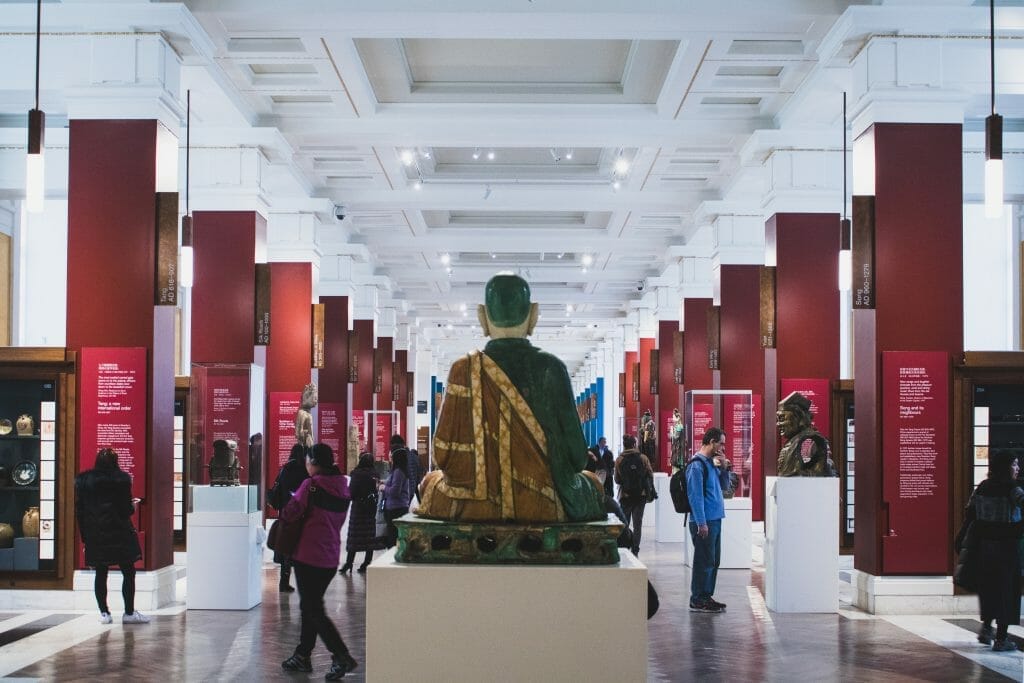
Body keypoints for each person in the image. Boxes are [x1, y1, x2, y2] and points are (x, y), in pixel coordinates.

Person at [418, 273, 605, 523]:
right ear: (534, 315)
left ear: (482, 317)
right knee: (592, 483)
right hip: (543, 502)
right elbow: (577, 457)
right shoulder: (552, 369)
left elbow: (441, 454)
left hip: (473, 505)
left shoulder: (464, 369)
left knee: (430, 482)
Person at [279, 443, 358, 680]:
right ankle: (303, 655)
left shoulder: (311, 486)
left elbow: (290, 512)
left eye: (308, 461)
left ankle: (341, 655)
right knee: (310, 606)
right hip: (330, 557)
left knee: (313, 609)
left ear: (313, 462)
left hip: (307, 555)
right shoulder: (343, 488)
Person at [74, 448, 149, 625]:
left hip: (96, 534)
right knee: (128, 572)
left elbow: (80, 512)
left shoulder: (84, 482)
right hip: (120, 532)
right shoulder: (121, 480)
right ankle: (129, 613)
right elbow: (126, 510)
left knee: (100, 573)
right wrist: (134, 506)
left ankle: (104, 613)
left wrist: (85, 538)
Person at [967, 449, 1024, 652]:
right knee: (1007, 591)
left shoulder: (983, 487)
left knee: (989, 589)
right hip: (1007, 547)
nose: (1017, 468)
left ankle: (986, 628)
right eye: (1014, 464)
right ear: (1006, 467)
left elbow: (970, 511)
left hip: (984, 547)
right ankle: (1002, 638)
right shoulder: (1012, 489)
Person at [686, 427, 727, 613]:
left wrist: (725, 468)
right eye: (721, 443)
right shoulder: (697, 465)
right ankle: (697, 598)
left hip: (715, 519)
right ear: (712, 442)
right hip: (704, 521)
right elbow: (695, 496)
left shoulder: (712, 463)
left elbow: (725, 487)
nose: (722, 447)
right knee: (704, 560)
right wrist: (701, 522)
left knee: (713, 560)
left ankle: (706, 595)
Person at [267, 443, 310, 592]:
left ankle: (284, 581)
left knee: (286, 547)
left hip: (286, 513)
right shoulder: (305, 471)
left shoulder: (285, 469)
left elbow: (278, 491)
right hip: (302, 514)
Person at [776, 391, 836, 477]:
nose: (778, 424)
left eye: (782, 418)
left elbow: (826, 467)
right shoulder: (794, 440)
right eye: (778, 419)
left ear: (797, 417)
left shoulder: (813, 439)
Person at [340, 452, 380, 575]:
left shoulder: (356, 474)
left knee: (354, 537)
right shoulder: (375, 474)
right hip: (371, 508)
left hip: (358, 509)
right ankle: (367, 562)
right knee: (370, 537)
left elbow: (351, 492)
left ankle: (349, 563)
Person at [615, 435, 655, 556]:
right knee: (638, 524)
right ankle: (635, 549)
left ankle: (625, 546)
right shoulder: (643, 458)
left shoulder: (619, 459)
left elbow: (617, 479)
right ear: (634, 445)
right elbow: (650, 474)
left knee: (625, 523)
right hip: (640, 495)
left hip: (625, 496)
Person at [382, 446, 411, 547]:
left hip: (396, 509)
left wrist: (383, 488)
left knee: (393, 538)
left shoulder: (398, 472)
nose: (390, 458)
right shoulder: (398, 471)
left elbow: (395, 491)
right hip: (396, 507)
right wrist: (384, 482)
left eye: (392, 456)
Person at [294, 382, 317, 449]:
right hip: (304, 444)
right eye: (315, 398)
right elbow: (298, 433)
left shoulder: (308, 413)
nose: (316, 401)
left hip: (309, 443)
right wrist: (306, 435)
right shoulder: (302, 413)